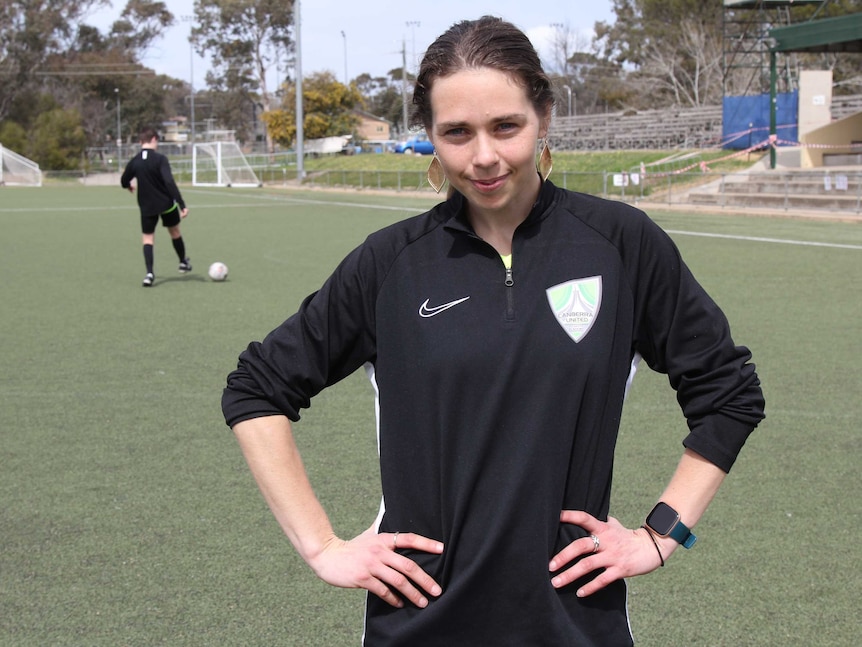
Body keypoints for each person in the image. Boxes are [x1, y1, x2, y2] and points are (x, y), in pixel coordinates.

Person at [221, 16, 765, 646]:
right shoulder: (392, 263)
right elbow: (256, 389)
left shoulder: (621, 244)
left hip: (576, 624)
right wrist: (321, 547)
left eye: (506, 126)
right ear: (429, 136)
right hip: (419, 623)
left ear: (545, 116)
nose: (483, 157)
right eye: (456, 133)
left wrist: (662, 535)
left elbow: (728, 393)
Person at [120, 127, 191, 287]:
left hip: (146, 206)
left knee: (148, 238)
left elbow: (124, 180)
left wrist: (128, 186)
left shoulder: (135, 161)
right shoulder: (160, 159)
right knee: (174, 231)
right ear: (153, 140)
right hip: (166, 204)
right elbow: (169, 182)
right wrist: (181, 204)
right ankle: (182, 262)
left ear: (140, 142)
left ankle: (149, 274)